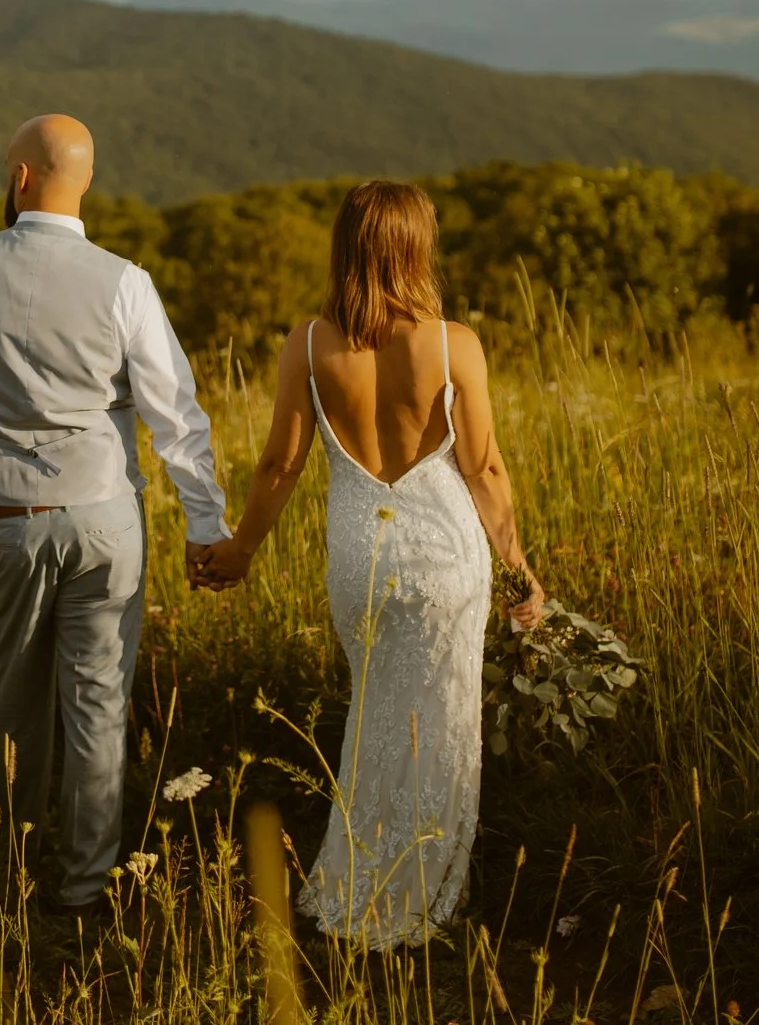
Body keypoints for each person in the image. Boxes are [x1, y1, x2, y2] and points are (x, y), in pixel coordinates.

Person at [197, 179, 547, 949]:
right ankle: (426, 895)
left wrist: (241, 550)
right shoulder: (456, 343)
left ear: (345, 246)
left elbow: (278, 466)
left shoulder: (311, 343)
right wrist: (521, 567)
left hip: (364, 554)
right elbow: (484, 467)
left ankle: (361, 881)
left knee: (375, 713)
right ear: (416, 246)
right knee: (442, 719)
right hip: (448, 556)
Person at [0, 113, 233, 912]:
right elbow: (175, 415)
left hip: (7, 521)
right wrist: (205, 523)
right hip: (106, 521)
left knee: (11, 699)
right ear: (86, 185)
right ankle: (86, 888)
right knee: (99, 703)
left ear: (18, 178)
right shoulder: (125, 280)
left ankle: (12, 875)